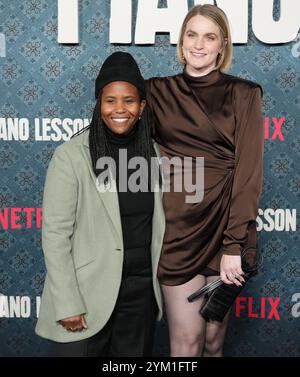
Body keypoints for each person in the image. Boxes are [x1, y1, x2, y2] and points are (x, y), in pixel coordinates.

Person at [146, 4, 264, 357]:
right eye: (191, 34)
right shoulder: (155, 92)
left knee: (213, 342)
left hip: (225, 230)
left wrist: (233, 245)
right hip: (177, 231)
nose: (199, 44)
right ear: (181, 41)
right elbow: (121, 140)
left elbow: (249, 173)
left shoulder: (245, 94)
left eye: (209, 36)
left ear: (222, 44)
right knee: (186, 343)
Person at [35, 52, 165, 357]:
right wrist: (68, 302)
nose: (120, 109)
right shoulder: (71, 156)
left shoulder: (156, 155)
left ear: (142, 106)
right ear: (99, 104)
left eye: (129, 100)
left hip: (140, 296)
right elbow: (55, 236)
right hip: (85, 292)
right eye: (110, 100)